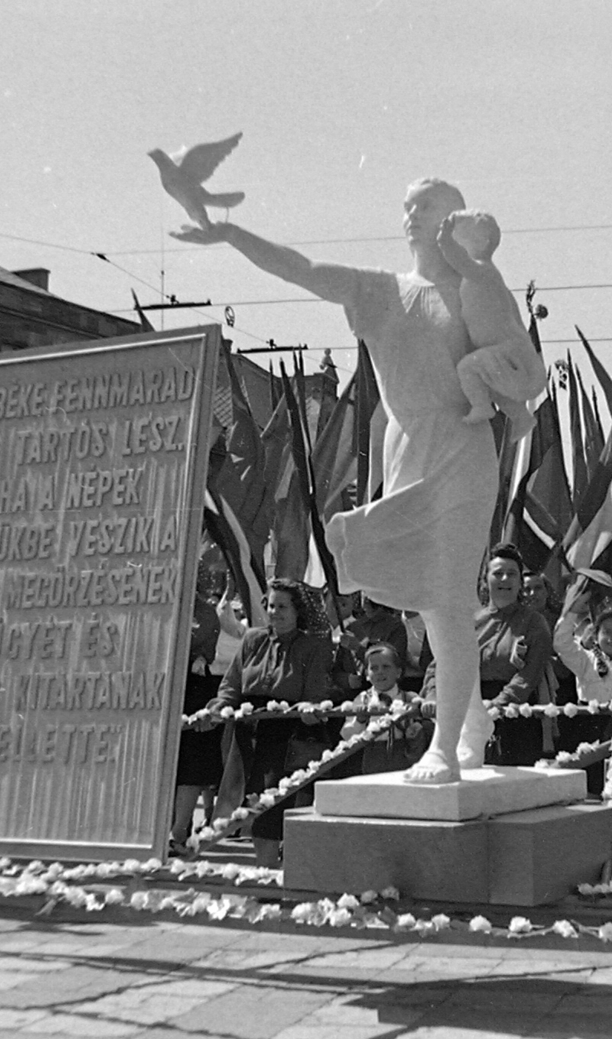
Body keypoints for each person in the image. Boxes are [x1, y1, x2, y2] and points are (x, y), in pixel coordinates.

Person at [166, 171, 519, 785]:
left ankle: (446, 744)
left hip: (461, 451)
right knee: (434, 609)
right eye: (408, 204)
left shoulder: (476, 292)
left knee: (448, 600)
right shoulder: (382, 292)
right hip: (409, 449)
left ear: (455, 218)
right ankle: (474, 719)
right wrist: (230, 233)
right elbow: (302, 268)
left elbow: (519, 368)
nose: (412, 214)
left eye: (428, 206)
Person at [211, 578, 333, 867]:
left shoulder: (312, 646)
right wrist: (219, 705)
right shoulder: (253, 639)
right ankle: (225, 874)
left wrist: (310, 707)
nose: (274, 611)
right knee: (232, 798)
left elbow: (315, 694)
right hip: (245, 729)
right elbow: (232, 684)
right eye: (270, 605)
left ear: (297, 611)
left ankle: (267, 872)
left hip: (284, 732)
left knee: (270, 804)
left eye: (282, 606)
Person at [425, 544, 553, 767]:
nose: (505, 579)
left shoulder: (534, 623)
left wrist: (498, 704)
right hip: (467, 711)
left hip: (513, 715)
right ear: (485, 581)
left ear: (520, 582)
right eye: (497, 573)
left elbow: (529, 674)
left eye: (512, 574)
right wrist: (432, 697)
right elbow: (440, 663)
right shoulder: (468, 621)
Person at [435, 210, 546, 436]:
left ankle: (482, 407)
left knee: (468, 368)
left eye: (463, 239)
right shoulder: (480, 276)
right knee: (491, 380)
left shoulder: (482, 269)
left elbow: (459, 261)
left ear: (483, 242)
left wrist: (444, 240)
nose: (459, 243)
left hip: (505, 348)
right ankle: (520, 417)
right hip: (500, 347)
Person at [552, 575, 612, 795]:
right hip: (585, 729)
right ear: (596, 635)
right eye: (607, 632)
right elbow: (561, 642)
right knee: (586, 791)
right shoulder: (585, 661)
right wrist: (573, 610)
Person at [172, 565, 226, 850]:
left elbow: (203, 643)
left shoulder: (203, 612)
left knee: (191, 765)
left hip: (192, 687)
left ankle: (179, 829)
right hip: (158, 685)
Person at [338, 642, 426, 774]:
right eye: (374, 668)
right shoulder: (362, 700)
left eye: (386, 667)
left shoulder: (409, 698)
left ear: (398, 672)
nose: (380, 672)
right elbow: (347, 735)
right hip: (373, 756)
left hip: (403, 755)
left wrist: (414, 729)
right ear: (367, 674)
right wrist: (360, 721)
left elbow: (422, 726)